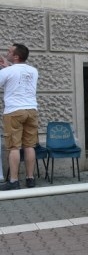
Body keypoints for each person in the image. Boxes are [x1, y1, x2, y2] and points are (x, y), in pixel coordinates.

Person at [0, 43, 39, 190]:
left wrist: (5, 68)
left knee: (14, 147)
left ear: (16, 56)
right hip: (31, 110)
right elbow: (18, 75)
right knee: (29, 145)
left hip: (14, 111)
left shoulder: (8, 71)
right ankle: (30, 179)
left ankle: (14, 181)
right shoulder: (33, 71)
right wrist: (7, 66)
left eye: (9, 51)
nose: (6, 53)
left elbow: (8, 77)